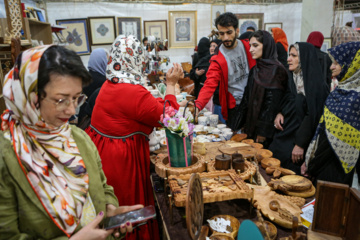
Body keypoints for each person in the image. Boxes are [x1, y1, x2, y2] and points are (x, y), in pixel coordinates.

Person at [0, 45, 141, 239]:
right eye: (61, 100)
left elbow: (102, 186)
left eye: (76, 99)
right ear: (30, 96)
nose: (72, 111)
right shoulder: (6, 157)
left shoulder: (77, 137)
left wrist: (108, 210)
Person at [85, 35, 182, 240]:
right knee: (128, 213)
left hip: (103, 154)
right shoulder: (133, 93)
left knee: (115, 210)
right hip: (121, 162)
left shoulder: (111, 84)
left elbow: (143, 107)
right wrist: (171, 84)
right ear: (138, 60)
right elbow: (170, 117)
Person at [305, 42, 360, 186]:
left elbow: (330, 142)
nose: (331, 67)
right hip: (324, 165)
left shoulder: (353, 99)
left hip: (334, 168)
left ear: (351, 65)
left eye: (337, 63)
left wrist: (312, 167)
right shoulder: (341, 91)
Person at [269, 43, 329, 174]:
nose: (288, 59)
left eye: (293, 56)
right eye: (289, 55)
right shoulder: (293, 78)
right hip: (286, 133)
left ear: (304, 59)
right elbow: (287, 99)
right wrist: (280, 112)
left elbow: (313, 116)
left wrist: (300, 144)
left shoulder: (317, 85)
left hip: (299, 141)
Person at [193, 12, 256, 131]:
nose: (226, 37)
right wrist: (198, 105)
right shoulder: (217, 58)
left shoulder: (248, 46)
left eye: (229, 32)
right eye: (221, 33)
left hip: (253, 101)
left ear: (237, 30)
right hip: (235, 106)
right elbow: (209, 84)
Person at [241, 30, 288, 148]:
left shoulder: (277, 70)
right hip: (251, 126)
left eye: (255, 45)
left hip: (266, 132)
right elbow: (247, 98)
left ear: (266, 46)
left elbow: (273, 104)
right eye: (250, 46)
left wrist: (263, 131)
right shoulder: (255, 69)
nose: (251, 49)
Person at [77, 48, 108, 126]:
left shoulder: (85, 76)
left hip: (83, 116)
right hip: (96, 120)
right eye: (107, 60)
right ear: (102, 61)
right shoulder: (104, 81)